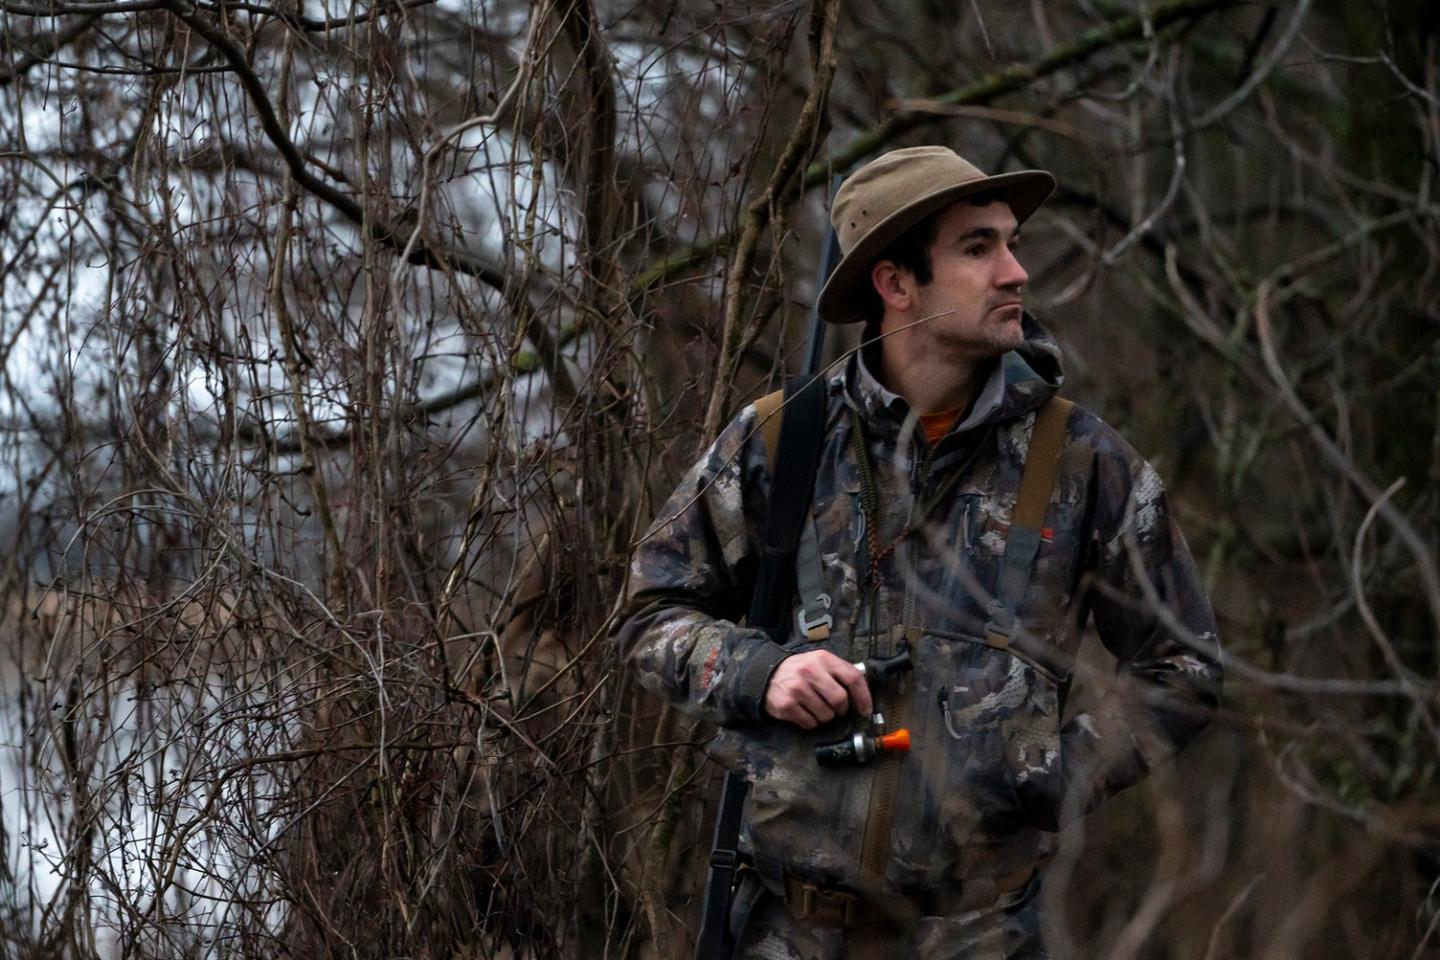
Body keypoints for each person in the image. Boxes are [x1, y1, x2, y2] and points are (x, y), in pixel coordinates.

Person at [614, 145, 1223, 960]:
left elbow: (1184, 666)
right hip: (783, 931)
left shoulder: (1080, 461)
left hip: (982, 936)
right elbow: (649, 616)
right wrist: (764, 672)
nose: (1016, 272)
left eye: (1010, 243)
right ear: (896, 284)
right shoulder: (782, 440)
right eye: (978, 248)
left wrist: (1050, 771)